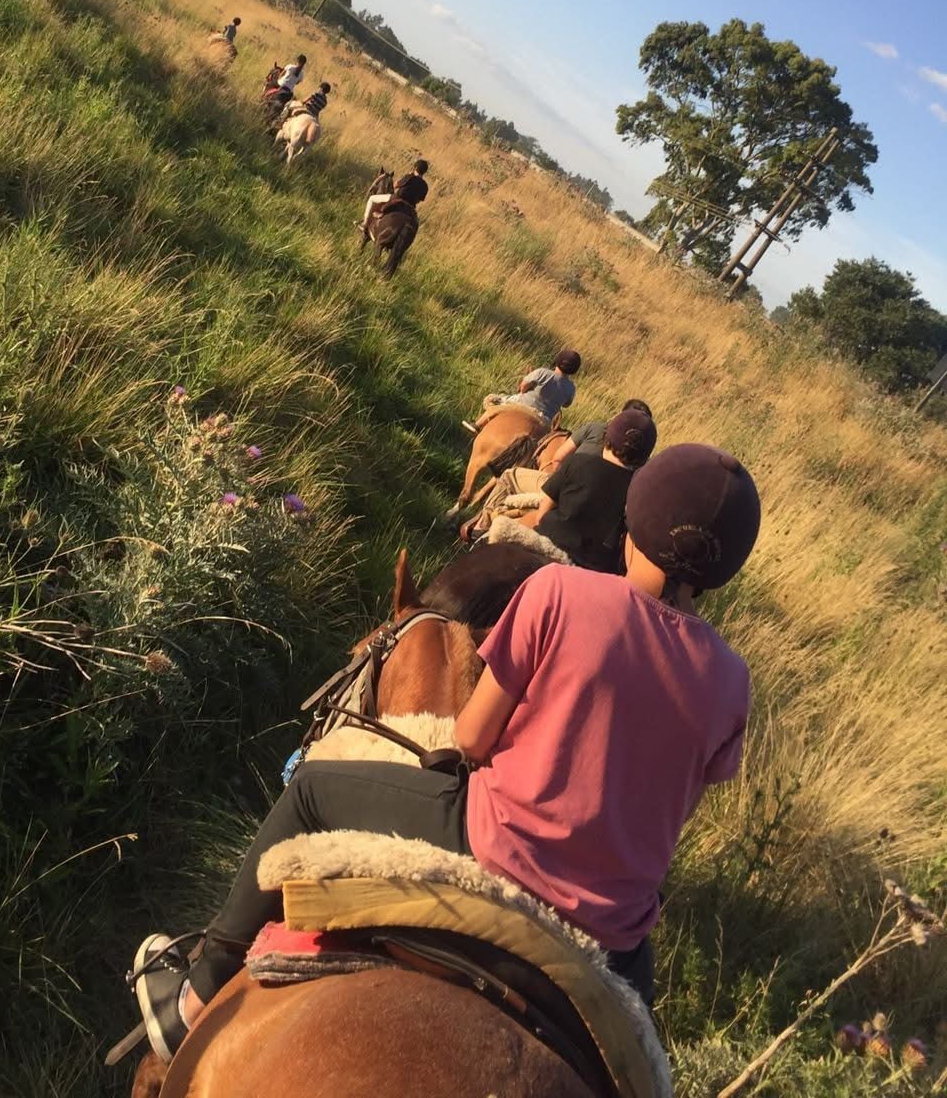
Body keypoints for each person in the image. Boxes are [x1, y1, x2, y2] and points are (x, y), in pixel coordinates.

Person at [129, 442, 758, 1062]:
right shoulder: (732, 684)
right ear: (723, 570)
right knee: (638, 1065)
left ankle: (199, 988)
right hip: (613, 929)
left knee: (313, 788)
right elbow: (671, 817)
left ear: (631, 526)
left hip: (491, 838)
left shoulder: (561, 592)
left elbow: (472, 739)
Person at [463, 408, 655, 565]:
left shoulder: (578, 462)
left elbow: (542, 513)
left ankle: (480, 530)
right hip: (589, 568)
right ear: (645, 458)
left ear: (607, 438)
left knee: (508, 477)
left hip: (549, 541)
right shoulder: (639, 494)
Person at [468, 349, 582, 433]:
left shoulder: (543, 372)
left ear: (558, 360)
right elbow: (567, 404)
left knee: (494, 401)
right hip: (545, 421)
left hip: (523, 406)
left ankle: (477, 425)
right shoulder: (571, 388)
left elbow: (523, 387)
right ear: (574, 370)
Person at [361, 159, 429, 237]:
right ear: (424, 171)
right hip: (410, 206)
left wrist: (407, 176)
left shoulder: (410, 177)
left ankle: (365, 224)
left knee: (372, 198)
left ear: (415, 168)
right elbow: (419, 200)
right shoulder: (425, 186)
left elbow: (395, 185)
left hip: (396, 199)